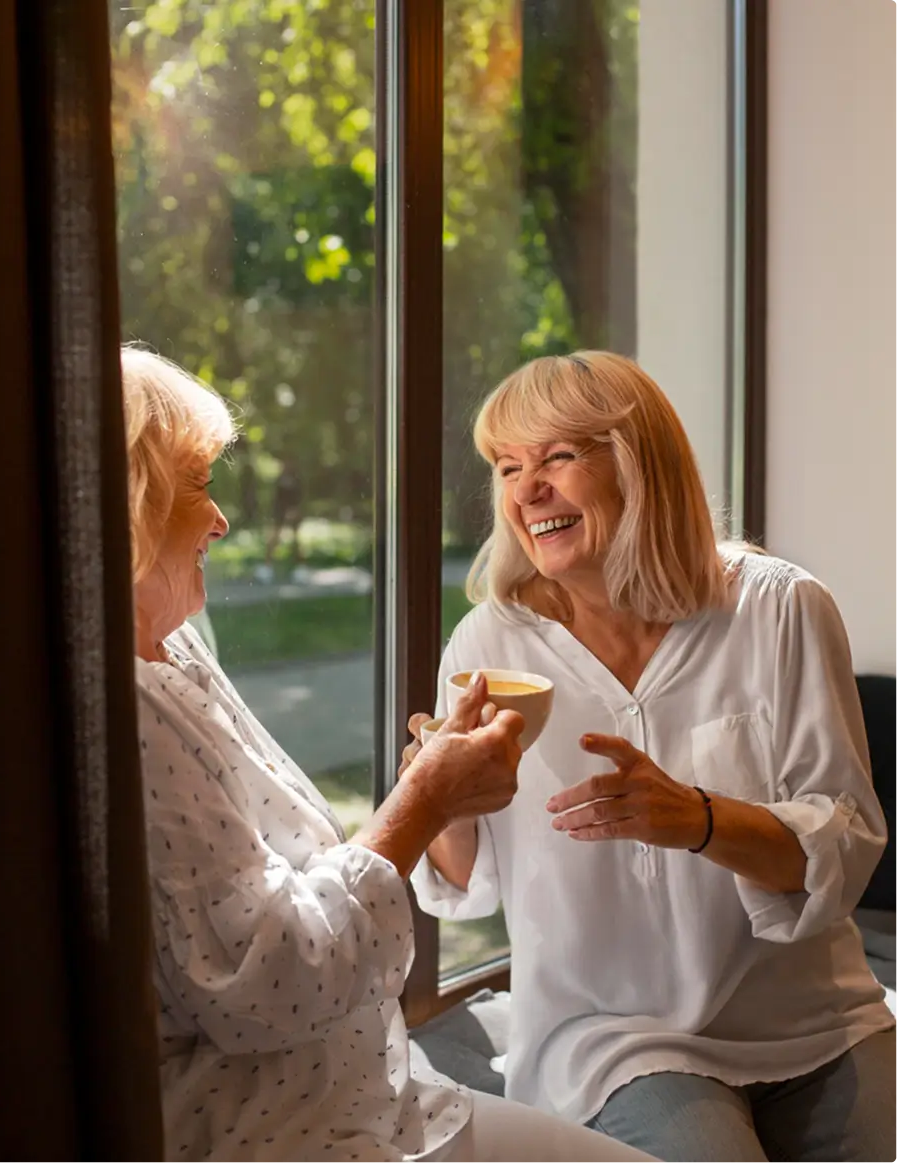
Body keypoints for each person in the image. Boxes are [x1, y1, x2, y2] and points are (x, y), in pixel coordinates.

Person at [122, 344, 658, 1163]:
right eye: (199, 485)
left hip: (376, 1093)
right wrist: (425, 804)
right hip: (292, 1133)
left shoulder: (180, 648)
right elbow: (270, 984)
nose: (222, 519)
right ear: (130, 501)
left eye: (558, 456)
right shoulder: (124, 707)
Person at [407, 351, 897, 1163]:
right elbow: (464, 884)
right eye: (508, 466)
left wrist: (700, 820)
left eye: (558, 457)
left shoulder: (780, 608)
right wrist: (437, 795)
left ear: (642, 467)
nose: (528, 490)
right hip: (611, 1034)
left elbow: (845, 843)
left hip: (815, 1017)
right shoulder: (491, 641)